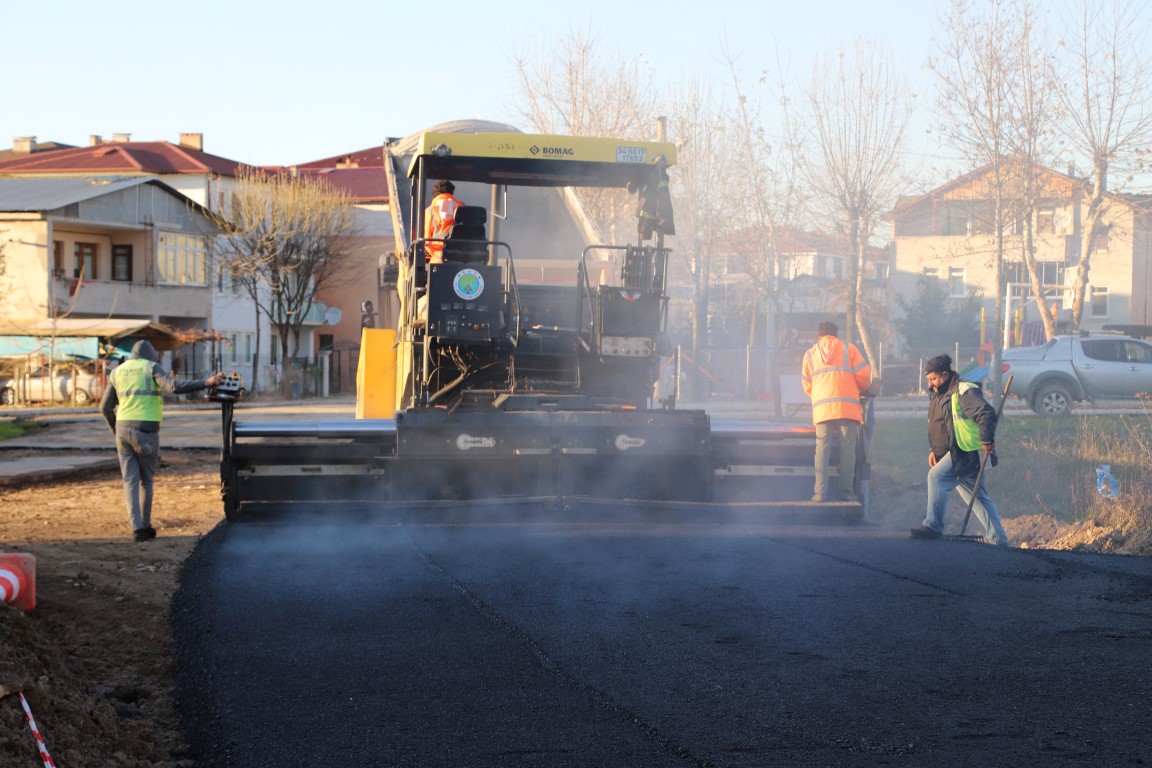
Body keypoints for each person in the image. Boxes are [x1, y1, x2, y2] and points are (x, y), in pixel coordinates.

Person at [100, 340, 220, 542]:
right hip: (146, 431)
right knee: (145, 481)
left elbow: (105, 407)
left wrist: (116, 431)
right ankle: (146, 527)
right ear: (151, 355)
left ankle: (136, 528)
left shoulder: (117, 372)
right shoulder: (151, 368)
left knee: (130, 481)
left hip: (122, 430)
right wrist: (205, 383)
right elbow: (172, 387)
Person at [909, 354, 1008, 545]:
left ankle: (933, 526)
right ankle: (999, 540)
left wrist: (987, 439)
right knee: (977, 497)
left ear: (945, 375)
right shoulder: (942, 393)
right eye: (928, 380)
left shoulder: (964, 391)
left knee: (936, 477)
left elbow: (986, 413)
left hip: (968, 451)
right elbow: (943, 425)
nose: (930, 384)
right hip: (957, 450)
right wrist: (934, 450)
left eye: (933, 379)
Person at [801, 321, 872, 502]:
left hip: (823, 410)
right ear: (836, 334)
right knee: (848, 449)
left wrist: (818, 397)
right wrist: (857, 388)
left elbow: (807, 385)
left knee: (822, 449)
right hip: (848, 408)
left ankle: (820, 493)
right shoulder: (849, 350)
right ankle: (846, 491)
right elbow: (864, 377)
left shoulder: (810, 354)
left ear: (820, 336)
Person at [423, 180, 464, 264]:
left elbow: (427, 239)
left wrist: (433, 253)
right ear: (451, 192)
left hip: (438, 255)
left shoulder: (430, 210)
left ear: (434, 194)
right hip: (461, 254)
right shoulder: (463, 207)